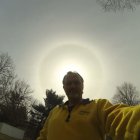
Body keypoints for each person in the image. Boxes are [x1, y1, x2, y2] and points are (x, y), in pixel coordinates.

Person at [37, 71, 140, 140]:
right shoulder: (54, 111)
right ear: (64, 87)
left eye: (76, 82)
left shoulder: (98, 106)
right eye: (69, 83)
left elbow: (119, 117)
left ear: (83, 85)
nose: (73, 86)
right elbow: (42, 137)